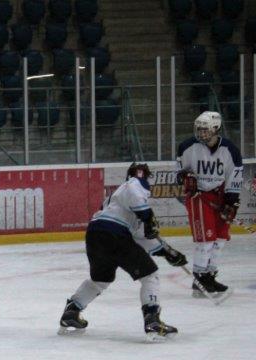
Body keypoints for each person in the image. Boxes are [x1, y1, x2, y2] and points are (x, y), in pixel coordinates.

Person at [59, 163, 188, 341]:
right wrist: (148, 216)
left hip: (95, 234)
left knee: (100, 280)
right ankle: (152, 320)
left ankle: (72, 312)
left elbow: (140, 235)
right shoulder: (133, 184)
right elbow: (136, 190)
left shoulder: (117, 200)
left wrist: (166, 252)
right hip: (114, 234)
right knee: (150, 275)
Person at [176, 111, 243, 298]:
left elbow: (234, 176)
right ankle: (199, 280)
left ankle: (210, 276)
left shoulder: (230, 150)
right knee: (206, 241)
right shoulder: (187, 147)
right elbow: (179, 174)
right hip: (199, 197)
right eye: (199, 129)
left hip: (220, 195)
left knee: (220, 240)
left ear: (216, 128)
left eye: (205, 130)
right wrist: (184, 178)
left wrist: (231, 201)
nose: (201, 133)